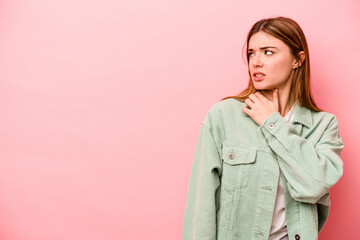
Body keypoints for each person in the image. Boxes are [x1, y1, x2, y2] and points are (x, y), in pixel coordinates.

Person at [182, 16, 344, 240]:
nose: (255, 62)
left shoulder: (323, 125)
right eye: (251, 53)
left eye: (268, 52)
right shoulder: (223, 116)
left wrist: (273, 123)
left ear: (298, 59)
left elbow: (314, 186)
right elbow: (201, 207)